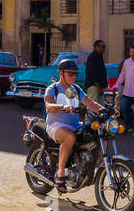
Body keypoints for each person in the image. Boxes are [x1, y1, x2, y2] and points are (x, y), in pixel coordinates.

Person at [44, 57, 104, 194]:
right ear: (61, 73)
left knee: (101, 134)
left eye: (75, 73)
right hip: (56, 125)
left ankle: (92, 168)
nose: (74, 76)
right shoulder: (53, 88)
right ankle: (60, 176)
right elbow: (49, 106)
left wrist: (106, 110)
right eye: (70, 73)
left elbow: (91, 103)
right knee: (70, 138)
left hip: (75, 125)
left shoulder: (76, 89)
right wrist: (63, 106)